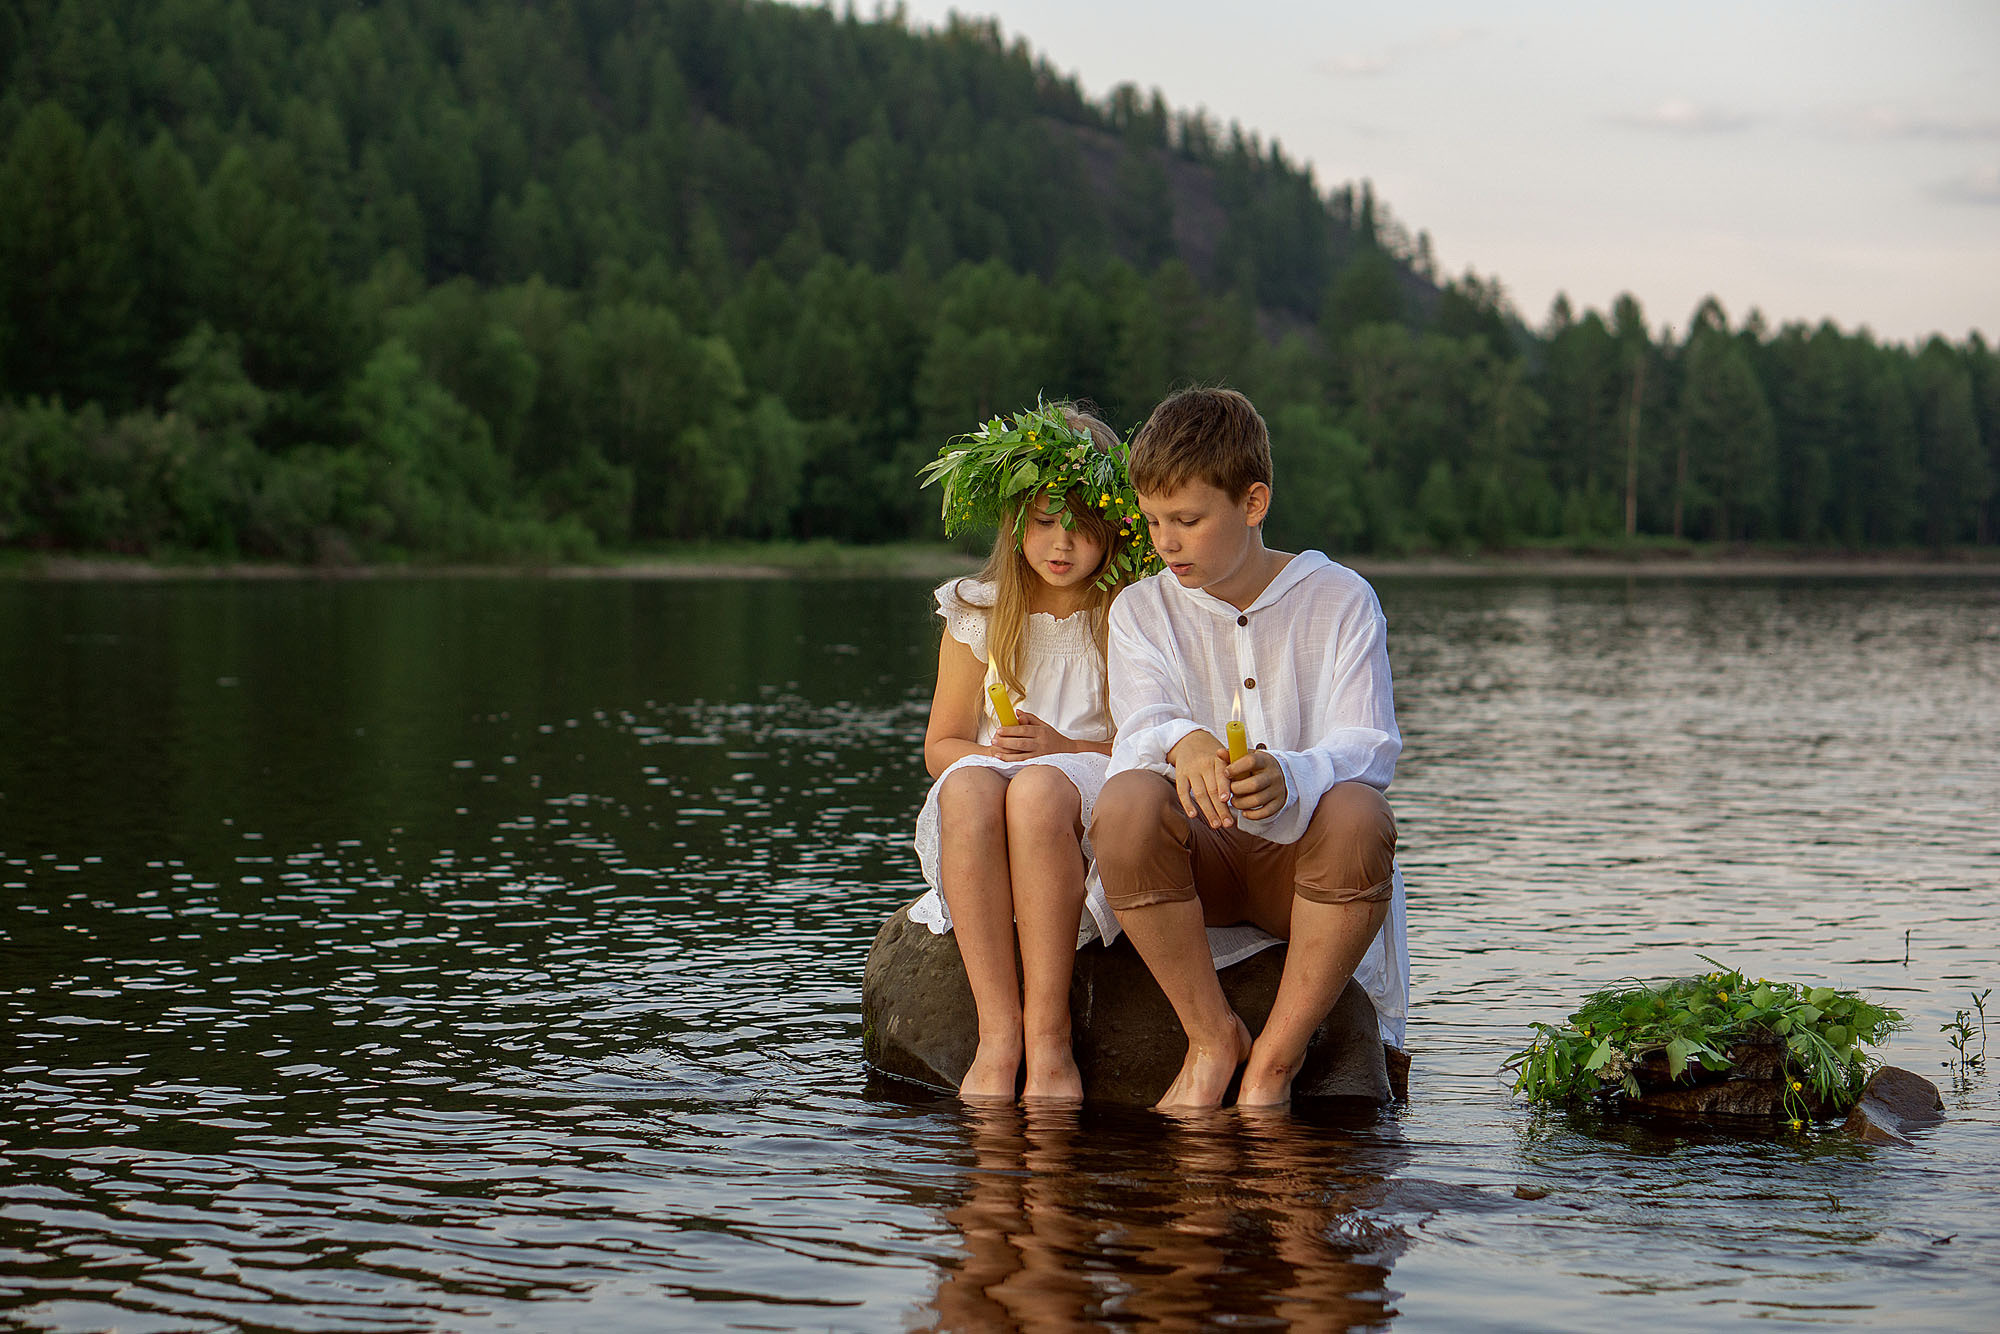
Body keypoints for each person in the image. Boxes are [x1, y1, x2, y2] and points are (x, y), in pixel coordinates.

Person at [1089, 387, 1407, 1111]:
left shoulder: (1341, 597)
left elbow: (1372, 745)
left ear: (1254, 503)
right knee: (1128, 802)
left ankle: (1275, 1062)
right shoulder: (1141, 608)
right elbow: (1138, 727)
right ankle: (1211, 1037)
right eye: (1153, 522)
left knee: (1360, 813)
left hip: (1306, 874)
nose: (1166, 542)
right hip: (1202, 868)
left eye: (1189, 521)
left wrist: (1295, 773)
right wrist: (1184, 739)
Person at [909, 401, 1160, 1102]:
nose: (1061, 544)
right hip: (1000, 784)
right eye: (1044, 522)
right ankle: (999, 1032)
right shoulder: (980, 609)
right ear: (1015, 522)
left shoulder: (1131, 610)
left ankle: (1049, 1036)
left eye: (1082, 526)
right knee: (966, 784)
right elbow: (942, 745)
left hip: (1093, 780)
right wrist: (999, 758)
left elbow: (1151, 741)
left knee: (1042, 787)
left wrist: (1061, 747)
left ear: (1113, 526)